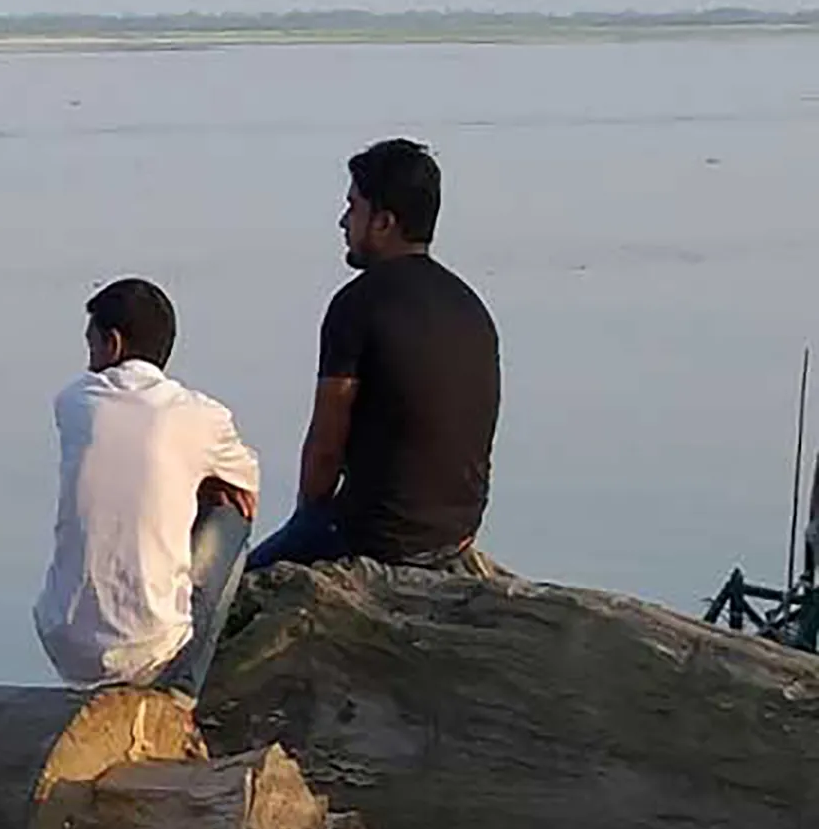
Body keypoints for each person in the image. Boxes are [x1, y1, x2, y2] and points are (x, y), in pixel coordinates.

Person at [249, 138, 502, 572]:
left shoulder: (357, 305)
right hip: (457, 531)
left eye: (353, 207)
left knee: (238, 590)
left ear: (383, 222)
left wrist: (307, 520)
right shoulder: (470, 306)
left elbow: (326, 445)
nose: (343, 221)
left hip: (379, 537)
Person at [36, 279, 262, 699]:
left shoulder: (72, 401)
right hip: (149, 650)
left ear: (113, 344)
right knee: (231, 517)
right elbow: (246, 489)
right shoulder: (201, 416)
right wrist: (205, 483)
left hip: (63, 640)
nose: (89, 362)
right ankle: (181, 692)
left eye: (92, 347)